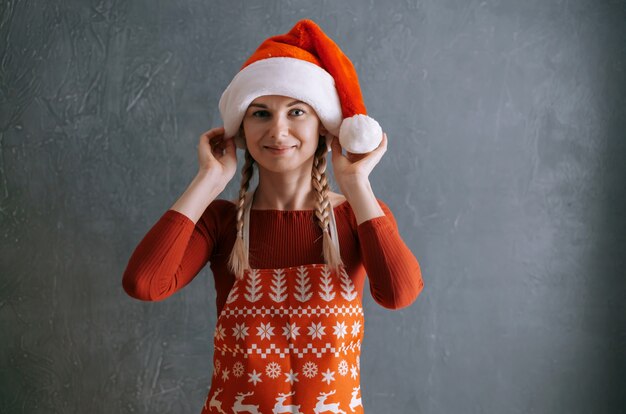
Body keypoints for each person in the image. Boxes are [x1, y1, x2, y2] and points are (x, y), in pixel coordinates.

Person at [123, 19, 423, 414]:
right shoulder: (221, 224)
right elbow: (145, 283)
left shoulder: (358, 217)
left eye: (296, 112)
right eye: (260, 114)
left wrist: (356, 184)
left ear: (322, 127)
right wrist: (208, 179)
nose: (278, 131)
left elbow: (399, 293)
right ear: (241, 131)